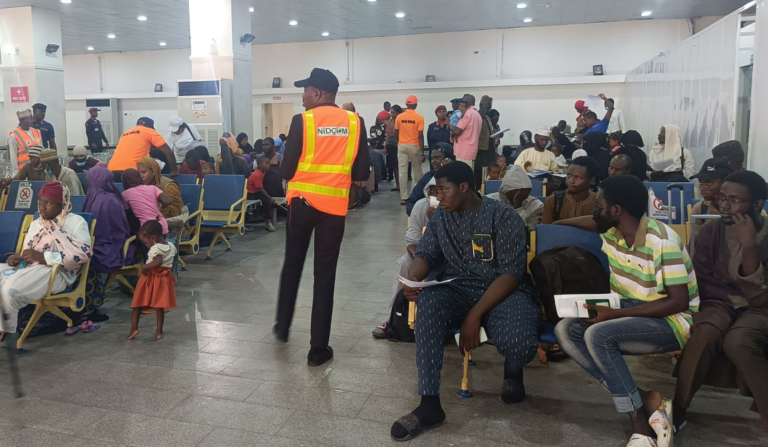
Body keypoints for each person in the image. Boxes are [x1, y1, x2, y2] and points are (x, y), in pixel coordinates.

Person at [390, 162, 540, 442]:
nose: (439, 197)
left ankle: (513, 368)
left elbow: (511, 274)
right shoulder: (441, 217)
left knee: (519, 344)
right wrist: (415, 280)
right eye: (435, 191)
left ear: (464, 187)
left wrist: (475, 316)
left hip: (504, 290)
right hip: (458, 287)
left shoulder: (502, 216)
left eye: (443, 190)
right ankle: (430, 404)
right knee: (430, 304)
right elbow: (425, 254)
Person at [554, 175, 699, 447]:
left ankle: (639, 425)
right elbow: (591, 222)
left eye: (600, 205)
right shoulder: (613, 231)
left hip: (672, 320)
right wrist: (554, 225)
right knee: (566, 329)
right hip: (630, 308)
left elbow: (678, 302)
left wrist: (614, 315)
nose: (595, 211)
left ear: (617, 211)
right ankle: (647, 400)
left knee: (598, 335)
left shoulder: (662, 241)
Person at [274, 68, 369, 367]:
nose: (302, 95)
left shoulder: (303, 120)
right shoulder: (356, 122)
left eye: (305, 90)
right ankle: (318, 349)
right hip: (334, 211)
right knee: (324, 276)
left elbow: (287, 171)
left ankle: (283, 327)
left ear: (317, 93)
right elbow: (362, 173)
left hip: (302, 206)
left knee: (293, 265)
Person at [673, 170, 768, 432]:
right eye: (722, 198)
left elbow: (761, 296)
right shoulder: (712, 231)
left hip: (761, 308)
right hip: (718, 301)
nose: (724, 205)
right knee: (705, 333)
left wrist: (749, 246)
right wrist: (725, 302)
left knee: (739, 342)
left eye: (734, 200)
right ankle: (679, 406)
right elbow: (701, 280)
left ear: (758, 204)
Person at [0, 182, 92, 340]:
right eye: (40, 202)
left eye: (48, 203)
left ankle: (3, 332)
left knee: (10, 290)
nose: (42, 207)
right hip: (30, 268)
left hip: (57, 272)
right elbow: (29, 251)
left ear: (61, 204)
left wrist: (44, 257)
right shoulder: (37, 224)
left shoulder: (75, 223)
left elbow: (82, 255)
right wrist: (18, 258)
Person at [373, 177, 439, 339]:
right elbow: (411, 242)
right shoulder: (420, 207)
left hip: (450, 258)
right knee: (404, 263)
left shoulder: (456, 209)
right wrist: (422, 259)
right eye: (432, 191)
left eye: (440, 191)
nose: (436, 195)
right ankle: (392, 318)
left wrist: (437, 221)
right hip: (422, 255)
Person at [82, 166, 132, 317]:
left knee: (85, 258)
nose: (86, 180)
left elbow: (120, 229)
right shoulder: (97, 195)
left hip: (112, 244)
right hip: (99, 241)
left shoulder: (109, 200)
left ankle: (90, 302)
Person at [128, 220, 178, 340]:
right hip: (163, 279)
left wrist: (144, 267)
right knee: (159, 306)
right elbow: (172, 262)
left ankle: (134, 328)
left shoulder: (156, 248)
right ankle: (159, 331)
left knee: (137, 304)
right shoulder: (171, 246)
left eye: (145, 242)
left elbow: (157, 262)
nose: (146, 245)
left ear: (153, 237)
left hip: (150, 279)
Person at [108, 117, 177, 178]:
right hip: (133, 171)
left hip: (112, 170)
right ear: (150, 125)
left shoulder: (125, 133)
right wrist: (175, 170)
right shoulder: (150, 131)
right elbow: (168, 152)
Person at [541, 156, 598, 224]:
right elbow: (546, 231)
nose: (571, 181)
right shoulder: (553, 201)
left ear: (591, 180)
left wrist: (559, 223)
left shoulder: (599, 203)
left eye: (578, 178)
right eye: (569, 176)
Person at [688, 157, 734, 236]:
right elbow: (696, 244)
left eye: (709, 183)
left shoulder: (742, 208)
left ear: (726, 182)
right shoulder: (700, 209)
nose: (702, 187)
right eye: (701, 183)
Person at [121, 168, 172, 235]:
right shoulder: (152, 188)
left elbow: (128, 215)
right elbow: (168, 201)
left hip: (146, 229)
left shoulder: (125, 194)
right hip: (162, 226)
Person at [395, 95, 425, 204]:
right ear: (416, 104)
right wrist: (422, 152)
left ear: (406, 104)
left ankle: (404, 197)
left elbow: (396, 132)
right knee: (417, 171)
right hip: (414, 146)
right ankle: (418, 195)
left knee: (402, 171)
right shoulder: (419, 117)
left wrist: (400, 142)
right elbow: (420, 135)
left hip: (402, 145)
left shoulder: (399, 117)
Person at [495, 165, 544, 232]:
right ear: (505, 192)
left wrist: (517, 206)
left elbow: (524, 233)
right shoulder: (492, 201)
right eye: (518, 191)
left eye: (526, 191)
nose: (522, 194)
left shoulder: (537, 206)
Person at [136, 157, 183, 224]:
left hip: (168, 226)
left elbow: (175, 213)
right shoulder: (140, 186)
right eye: (138, 173)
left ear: (153, 172)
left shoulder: (169, 186)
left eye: (143, 172)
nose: (141, 176)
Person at [405, 147, 449, 216]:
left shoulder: (456, 179)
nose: (433, 161)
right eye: (432, 158)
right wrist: (422, 216)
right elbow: (411, 202)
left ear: (448, 160)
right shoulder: (427, 177)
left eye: (437, 158)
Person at [449, 94, 482, 169]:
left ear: (466, 103)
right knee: (468, 174)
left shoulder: (467, 114)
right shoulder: (477, 114)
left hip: (463, 151)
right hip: (471, 150)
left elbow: (457, 131)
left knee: (463, 176)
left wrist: (448, 123)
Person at [247, 156, 276, 232]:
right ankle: (268, 221)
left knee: (266, 200)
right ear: (260, 164)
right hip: (251, 193)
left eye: (269, 163)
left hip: (257, 192)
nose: (268, 165)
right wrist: (270, 198)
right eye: (266, 163)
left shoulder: (263, 172)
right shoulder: (256, 174)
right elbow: (261, 188)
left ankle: (268, 220)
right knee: (266, 201)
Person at [385, 105, 403, 190]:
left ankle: (402, 185)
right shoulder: (389, 122)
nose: (392, 114)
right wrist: (385, 146)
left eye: (394, 113)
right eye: (391, 113)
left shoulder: (402, 121)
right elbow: (388, 135)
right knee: (394, 166)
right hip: (391, 145)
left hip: (400, 144)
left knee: (402, 166)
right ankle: (398, 185)